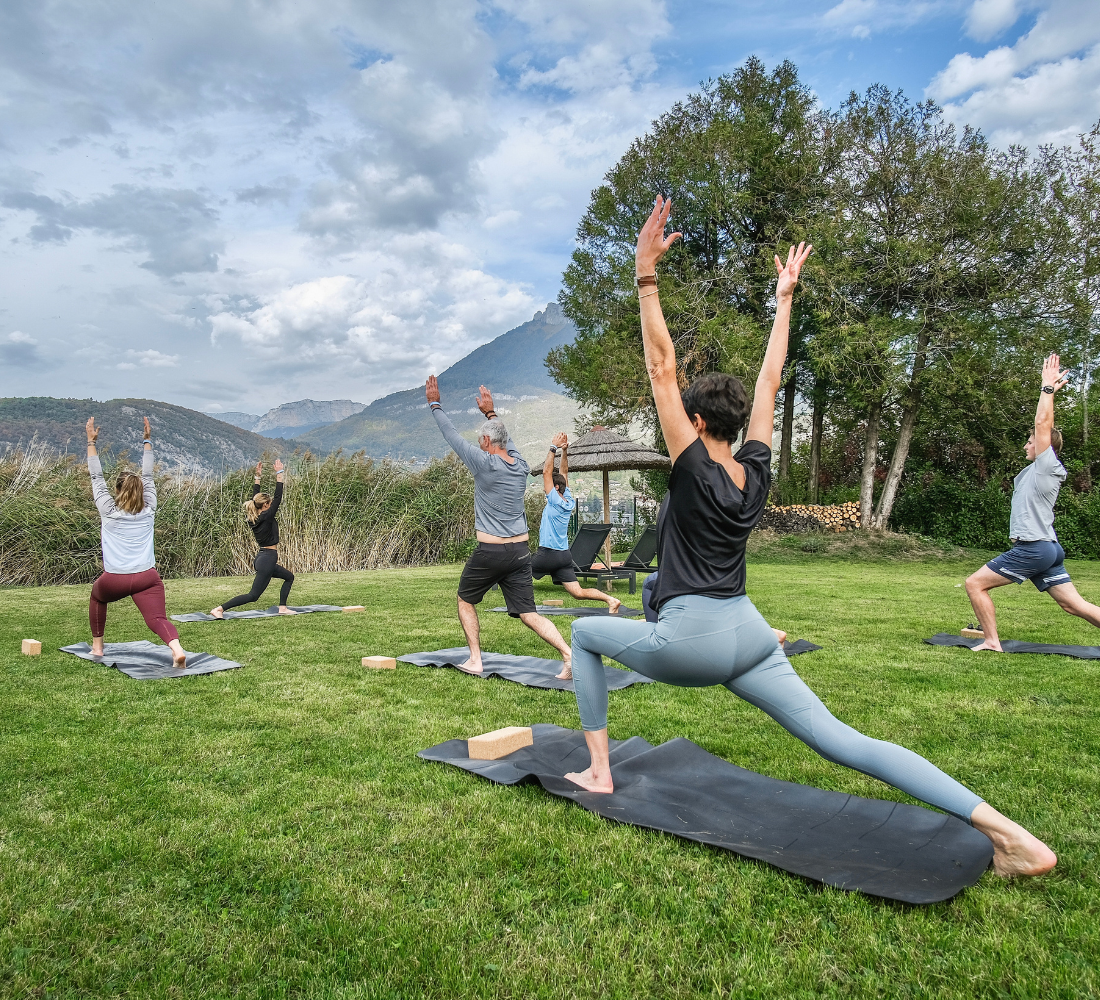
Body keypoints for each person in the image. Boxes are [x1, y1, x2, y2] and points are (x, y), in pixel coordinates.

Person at [562, 195, 1057, 878]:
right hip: (749, 633)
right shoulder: (755, 467)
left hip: (697, 640)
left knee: (586, 634)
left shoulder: (694, 463)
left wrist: (646, 275)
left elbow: (660, 367)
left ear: (700, 423)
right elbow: (770, 378)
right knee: (842, 740)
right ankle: (1013, 837)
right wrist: (784, 299)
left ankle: (598, 772)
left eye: (686, 414)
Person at [425, 377, 573, 676]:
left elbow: (450, 434)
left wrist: (435, 403)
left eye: (483, 438)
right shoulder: (519, 464)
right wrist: (490, 412)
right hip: (520, 552)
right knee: (528, 613)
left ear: (486, 442)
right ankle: (569, 655)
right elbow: (507, 439)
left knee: (465, 600)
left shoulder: (483, 463)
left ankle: (476, 659)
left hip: (491, 552)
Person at [965, 354, 1100, 651]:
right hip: (1049, 548)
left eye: (1030, 441)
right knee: (1074, 605)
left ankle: (991, 641)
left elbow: (1043, 422)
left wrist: (1047, 388)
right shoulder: (1035, 470)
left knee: (975, 584)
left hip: (1034, 548)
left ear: (1043, 445)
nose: (1026, 445)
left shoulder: (1046, 464)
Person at [86, 415, 187, 668]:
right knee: (156, 618)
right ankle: (176, 648)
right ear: (141, 490)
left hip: (116, 578)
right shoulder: (149, 507)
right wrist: (147, 440)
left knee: (98, 598)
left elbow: (96, 478)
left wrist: (91, 442)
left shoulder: (108, 509)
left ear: (118, 490)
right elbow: (149, 474)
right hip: (147, 576)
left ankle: (97, 648)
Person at [530, 432, 622, 615]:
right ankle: (611, 600)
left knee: (514, 568)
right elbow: (563, 473)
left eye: (548, 486)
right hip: (564, 556)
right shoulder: (568, 500)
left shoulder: (555, 500)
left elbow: (547, 472)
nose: (544, 487)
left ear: (555, 488)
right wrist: (565, 452)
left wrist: (553, 447)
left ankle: (520, 606)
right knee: (578, 593)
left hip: (548, 554)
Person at [211, 459, 296, 618]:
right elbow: (278, 497)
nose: (271, 505)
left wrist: (258, 477)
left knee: (289, 577)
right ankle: (220, 609)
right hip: (267, 560)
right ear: (265, 506)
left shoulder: (254, 516)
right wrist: (279, 474)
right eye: (269, 504)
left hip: (263, 558)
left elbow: (254, 498)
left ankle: (283, 608)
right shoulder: (267, 516)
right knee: (253, 596)